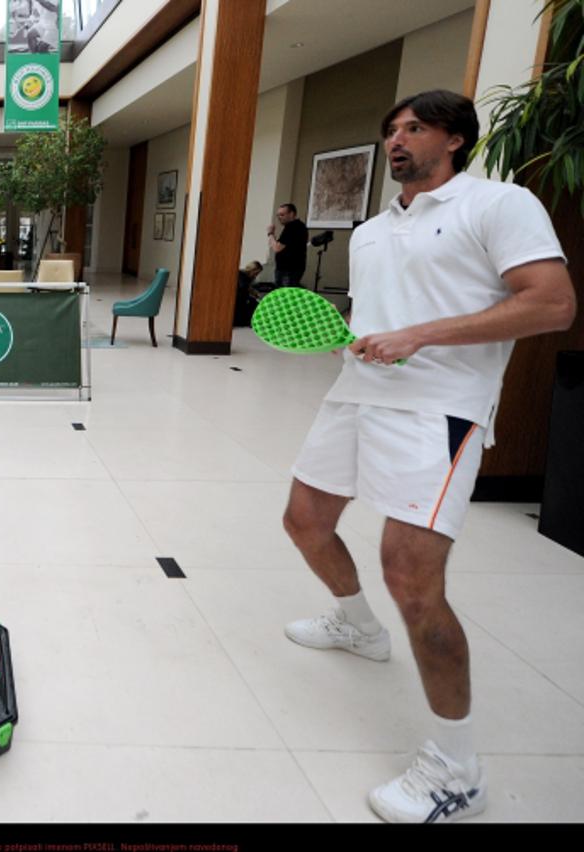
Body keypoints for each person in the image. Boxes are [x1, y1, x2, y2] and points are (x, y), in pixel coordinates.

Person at [280, 90, 574, 823]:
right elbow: (384, 316)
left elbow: (552, 304)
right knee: (304, 521)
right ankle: (356, 624)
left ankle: (456, 770)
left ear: (456, 138)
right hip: (355, 395)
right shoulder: (375, 231)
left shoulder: (497, 205)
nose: (396, 140)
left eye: (414, 127)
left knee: (411, 579)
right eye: (390, 130)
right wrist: (364, 333)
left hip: (439, 413)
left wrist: (419, 336)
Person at [267, 203, 308, 286]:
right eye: (278, 215)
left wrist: (270, 233)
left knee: (284, 295)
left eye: (282, 215)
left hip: (288, 270)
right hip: (290, 269)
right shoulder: (298, 226)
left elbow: (277, 248)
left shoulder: (293, 227)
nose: (279, 217)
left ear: (292, 214)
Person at [234, 260, 263, 327]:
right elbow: (244, 288)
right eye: (256, 273)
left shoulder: (241, 274)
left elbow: (247, 289)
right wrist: (254, 295)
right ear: (252, 270)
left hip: (241, 298)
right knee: (254, 304)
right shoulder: (243, 277)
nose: (256, 275)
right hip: (240, 300)